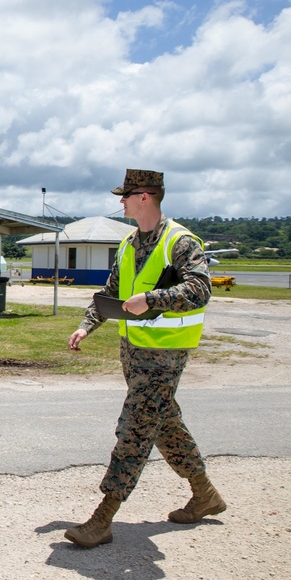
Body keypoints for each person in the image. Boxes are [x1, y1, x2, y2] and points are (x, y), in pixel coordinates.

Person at [64, 169, 226, 549]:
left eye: (127, 195)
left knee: (135, 427)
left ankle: (103, 517)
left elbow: (200, 290)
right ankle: (204, 494)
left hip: (166, 354)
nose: (120, 201)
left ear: (146, 196)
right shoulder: (127, 244)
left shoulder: (181, 241)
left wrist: (152, 299)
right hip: (133, 353)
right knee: (164, 423)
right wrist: (88, 325)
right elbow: (112, 293)